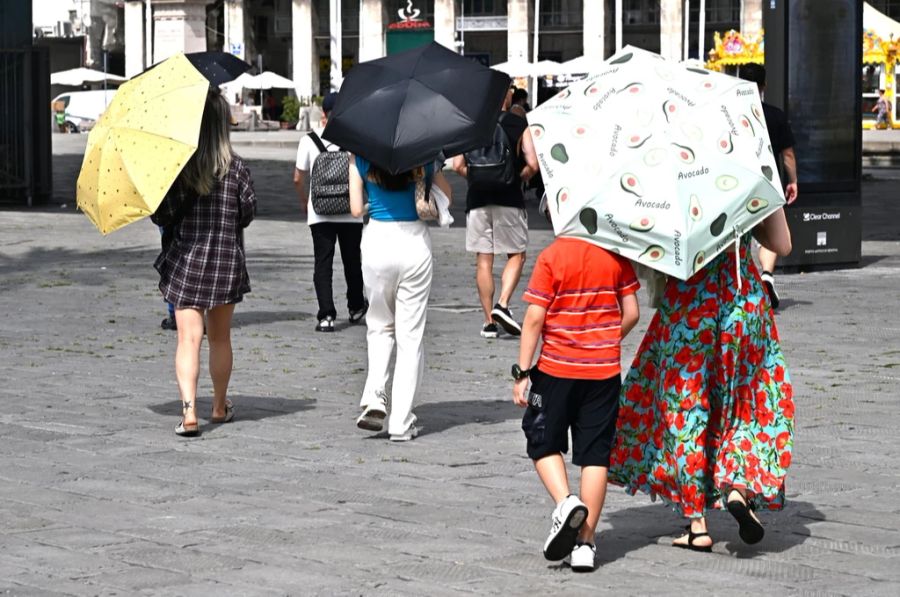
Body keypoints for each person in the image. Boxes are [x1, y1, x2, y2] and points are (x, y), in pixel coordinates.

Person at [609, 209, 794, 551]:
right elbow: (782, 244)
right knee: (746, 404)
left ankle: (698, 524)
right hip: (744, 303)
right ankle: (738, 484)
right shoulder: (745, 175)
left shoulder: (673, 186)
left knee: (685, 406)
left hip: (691, 304)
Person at [512, 235, 640, 571]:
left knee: (541, 438)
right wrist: (608, 341)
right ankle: (586, 543)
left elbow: (534, 319)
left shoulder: (553, 256)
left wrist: (522, 372)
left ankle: (566, 502)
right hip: (604, 372)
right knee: (595, 453)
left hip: (557, 369)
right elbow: (632, 312)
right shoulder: (616, 256)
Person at [151, 87, 257, 437]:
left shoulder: (180, 167)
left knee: (188, 340)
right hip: (225, 260)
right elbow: (248, 213)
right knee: (221, 339)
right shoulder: (237, 168)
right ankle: (218, 405)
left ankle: (189, 412)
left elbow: (162, 216)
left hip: (187, 262)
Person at [348, 155, 451, 442]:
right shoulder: (424, 155)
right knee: (410, 336)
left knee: (379, 326)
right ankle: (401, 422)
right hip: (414, 243)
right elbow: (448, 196)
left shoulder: (360, 157)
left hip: (377, 240)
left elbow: (356, 209)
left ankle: (376, 396)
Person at [452, 89, 539, 339]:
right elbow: (532, 164)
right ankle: (502, 303)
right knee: (517, 255)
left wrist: (478, 179)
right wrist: (515, 178)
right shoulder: (518, 123)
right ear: (506, 98)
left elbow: (458, 166)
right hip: (509, 199)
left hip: (477, 199)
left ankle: (489, 322)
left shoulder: (471, 125)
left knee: (484, 260)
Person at [294, 92, 367, 332]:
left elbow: (298, 178)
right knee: (352, 261)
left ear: (323, 114)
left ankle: (326, 315)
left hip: (320, 211)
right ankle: (356, 307)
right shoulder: (355, 139)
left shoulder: (309, 140)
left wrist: (305, 201)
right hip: (350, 210)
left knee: (322, 263)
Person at [739, 63, 798, 310]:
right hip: (768, 183)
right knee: (771, 234)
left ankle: (742, 280)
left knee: (742, 233)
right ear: (764, 86)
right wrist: (793, 181)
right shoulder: (775, 115)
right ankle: (766, 274)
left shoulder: (732, 113)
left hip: (738, 185)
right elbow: (788, 155)